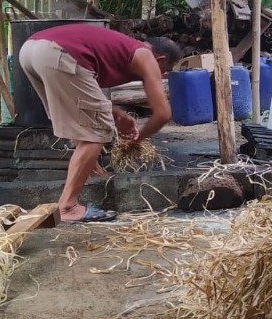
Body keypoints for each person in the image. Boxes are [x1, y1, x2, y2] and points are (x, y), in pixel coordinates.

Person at [18, 24, 182, 221]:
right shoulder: (146, 56)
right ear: (161, 60)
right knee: (97, 132)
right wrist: (135, 142)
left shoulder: (124, 48)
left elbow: (83, 94)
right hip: (58, 53)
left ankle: (92, 169)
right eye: (166, 70)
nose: (162, 75)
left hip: (30, 50)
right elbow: (163, 113)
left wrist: (118, 114)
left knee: (83, 123)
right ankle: (68, 206)